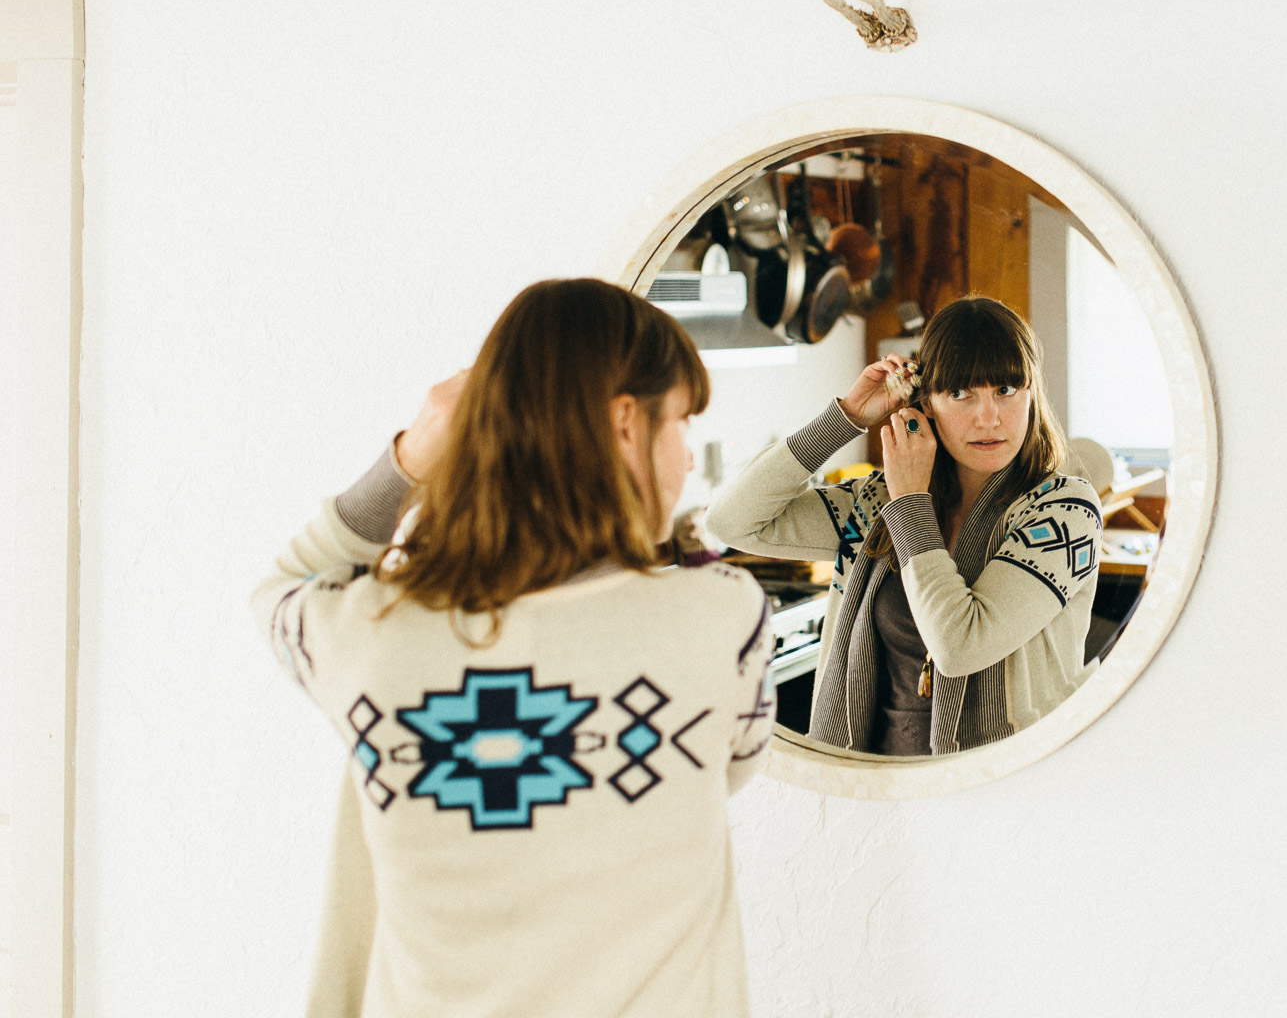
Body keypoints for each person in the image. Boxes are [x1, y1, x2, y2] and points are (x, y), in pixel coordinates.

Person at [251, 279, 775, 1018]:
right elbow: (731, 762)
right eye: (681, 423)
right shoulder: (722, 620)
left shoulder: (371, 633)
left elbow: (286, 586)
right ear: (627, 423)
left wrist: (409, 457)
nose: (686, 460)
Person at [706, 295, 1102, 757]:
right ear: (926, 403)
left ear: (1032, 393)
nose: (989, 417)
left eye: (1007, 390)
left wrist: (911, 503)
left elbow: (960, 647)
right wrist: (846, 419)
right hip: (875, 785)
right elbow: (732, 522)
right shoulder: (878, 502)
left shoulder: (1065, 510)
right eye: (961, 393)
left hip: (1003, 787)